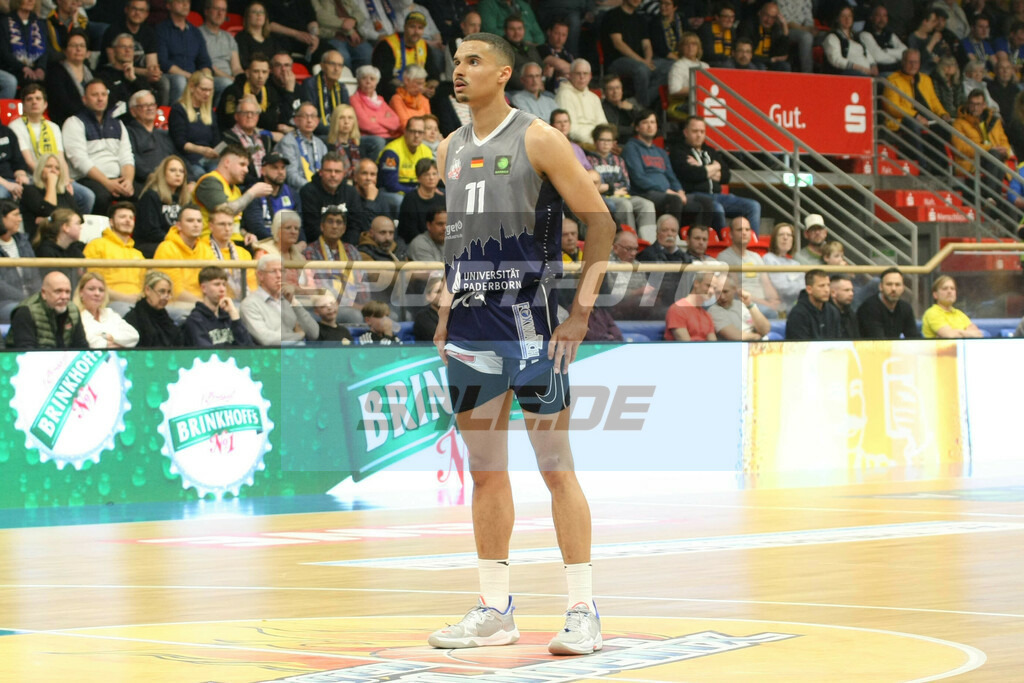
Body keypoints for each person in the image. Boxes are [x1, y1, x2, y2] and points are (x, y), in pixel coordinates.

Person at [427, 31, 615, 656]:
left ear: (503, 74)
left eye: (473, 61)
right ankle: (493, 609)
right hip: (473, 331)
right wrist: (448, 306)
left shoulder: (537, 136)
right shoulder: (450, 146)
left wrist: (580, 314)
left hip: (534, 328)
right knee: (485, 475)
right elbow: (461, 238)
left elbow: (601, 222)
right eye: (456, 61)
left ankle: (583, 609)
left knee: (556, 469)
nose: (460, 70)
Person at [9, 83, 94, 217]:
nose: (34, 102)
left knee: (87, 196)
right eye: (29, 99)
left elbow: (60, 158)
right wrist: (50, 178)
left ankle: (73, 228)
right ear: (23, 105)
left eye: (38, 98)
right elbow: (28, 161)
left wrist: (65, 180)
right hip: (33, 178)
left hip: (56, 174)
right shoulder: (15, 126)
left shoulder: (53, 127)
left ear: (45, 104)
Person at [671, 116, 761, 234]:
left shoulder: (710, 151)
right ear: (686, 132)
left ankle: (750, 247)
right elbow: (692, 175)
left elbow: (726, 176)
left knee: (753, 206)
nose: (699, 135)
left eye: (702, 132)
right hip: (695, 196)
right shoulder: (678, 151)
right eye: (695, 131)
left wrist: (702, 168)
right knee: (717, 208)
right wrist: (714, 167)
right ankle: (721, 244)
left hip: (718, 195)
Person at [624, 109, 713, 229]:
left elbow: (671, 176)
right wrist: (667, 191)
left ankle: (697, 238)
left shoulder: (660, 152)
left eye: (653, 122)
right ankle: (671, 238)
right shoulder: (631, 148)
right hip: (644, 193)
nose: (650, 126)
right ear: (637, 127)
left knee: (705, 202)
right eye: (645, 122)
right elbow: (638, 178)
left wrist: (680, 190)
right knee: (674, 200)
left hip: (668, 193)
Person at [62, 79, 136, 215]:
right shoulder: (74, 122)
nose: (100, 98)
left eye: (103, 94)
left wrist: (128, 181)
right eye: (95, 95)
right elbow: (80, 161)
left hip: (117, 178)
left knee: (143, 193)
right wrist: (107, 183)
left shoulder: (118, 124)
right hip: (87, 180)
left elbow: (126, 156)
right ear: (84, 99)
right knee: (101, 197)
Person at [586, 124, 656, 237]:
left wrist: (607, 187)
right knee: (625, 205)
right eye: (602, 140)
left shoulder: (619, 160)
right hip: (603, 198)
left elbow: (625, 183)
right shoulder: (589, 160)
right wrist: (613, 189)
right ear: (595, 142)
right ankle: (630, 238)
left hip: (623, 195)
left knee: (647, 204)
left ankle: (649, 240)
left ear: (614, 143)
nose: (605, 143)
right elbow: (594, 186)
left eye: (609, 140)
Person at [193, 144, 274, 242]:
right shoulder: (209, 181)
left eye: (247, 166)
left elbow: (237, 225)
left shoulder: (236, 190)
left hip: (234, 243)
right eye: (242, 164)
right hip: (208, 244)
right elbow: (225, 211)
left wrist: (246, 234)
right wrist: (253, 192)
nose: (246, 170)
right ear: (227, 163)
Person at [600, 0, 673, 106]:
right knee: (641, 69)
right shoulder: (613, 15)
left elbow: (647, 44)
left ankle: (638, 103)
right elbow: (618, 44)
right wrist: (643, 61)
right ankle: (642, 108)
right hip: (617, 61)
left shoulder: (640, 18)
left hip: (641, 61)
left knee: (671, 66)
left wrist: (648, 59)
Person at [302, 203, 365, 323]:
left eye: (339, 222)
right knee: (354, 316)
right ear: (322, 226)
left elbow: (362, 281)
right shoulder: (310, 252)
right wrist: (355, 306)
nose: (334, 226)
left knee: (389, 314)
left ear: (344, 228)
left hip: (355, 304)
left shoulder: (352, 251)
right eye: (330, 222)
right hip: (326, 305)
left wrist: (365, 305)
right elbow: (322, 286)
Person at [240, 253, 319, 345]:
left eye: (281, 271)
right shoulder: (250, 304)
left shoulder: (288, 299)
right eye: (273, 271)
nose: (279, 276)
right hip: (272, 356)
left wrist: (294, 303)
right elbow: (266, 339)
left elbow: (314, 333)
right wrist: (299, 336)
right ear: (260, 275)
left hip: (299, 354)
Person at [82, 202, 145, 311]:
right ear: (111, 222)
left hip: (138, 304)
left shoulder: (138, 254)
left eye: (131, 218)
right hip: (109, 303)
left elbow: (146, 285)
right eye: (122, 217)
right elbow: (91, 282)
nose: (128, 220)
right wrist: (126, 298)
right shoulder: (97, 245)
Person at [101, 0, 166, 105]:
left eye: (141, 10)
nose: (137, 13)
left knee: (162, 83)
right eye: (134, 9)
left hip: (137, 75)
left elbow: (152, 65)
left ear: (146, 14)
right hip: (114, 74)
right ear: (126, 10)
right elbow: (115, 64)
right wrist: (143, 72)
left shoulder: (149, 32)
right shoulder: (113, 30)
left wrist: (153, 72)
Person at [716, 216, 781, 317]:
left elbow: (766, 283)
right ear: (731, 234)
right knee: (771, 313)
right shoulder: (724, 257)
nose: (744, 232)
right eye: (739, 230)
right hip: (742, 303)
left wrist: (775, 301)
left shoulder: (756, 257)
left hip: (763, 303)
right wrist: (767, 304)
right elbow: (736, 291)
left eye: (747, 229)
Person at [153, 203, 217, 304]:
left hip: (204, 304)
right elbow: (175, 291)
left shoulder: (206, 249)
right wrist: (205, 305)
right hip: (175, 305)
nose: (196, 224)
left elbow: (215, 282)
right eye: (190, 220)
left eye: (199, 221)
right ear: (178, 225)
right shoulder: (166, 248)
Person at [953, 88, 1011, 197]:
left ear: (984, 105)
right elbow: (961, 148)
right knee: (994, 156)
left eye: (978, 104)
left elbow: (1004, 141)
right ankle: (992, 196)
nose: (975, 108)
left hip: (994, 159)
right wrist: (988, 149)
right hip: (972, 160)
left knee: (997, 156)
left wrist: (1005, 151)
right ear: (967, 104)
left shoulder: (994, 120)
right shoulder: (959, 123)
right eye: (972, 104)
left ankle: (993, 198)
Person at [6, 270, 87, 348]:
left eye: (67, 292)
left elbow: (82, 347)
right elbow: (25, 352)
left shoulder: (73, 310)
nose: (64, 297)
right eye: (58, 291)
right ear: (44, 293)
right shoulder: (25, 312)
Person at [156, 0, 213, 104]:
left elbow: (205, 61)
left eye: (188, 2)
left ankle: (208, 118)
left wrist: (206, 77)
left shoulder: (195, 32)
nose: (185, 4)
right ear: (169, 5)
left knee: (223, 83)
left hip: (195, 77)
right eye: (180, 1)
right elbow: (163, 62)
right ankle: (177, 117)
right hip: (172, 75)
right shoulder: (161, 30)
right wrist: (189, 76)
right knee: (180, 80)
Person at [182, 265, 255, 347]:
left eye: (224, 284)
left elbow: (249, 348)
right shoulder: (195, 320)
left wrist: (235, 318)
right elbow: (205, 353)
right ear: (203, 288)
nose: (222, 289)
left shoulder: (229, 317)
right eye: (217, 284)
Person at [298, 151, 363, 244]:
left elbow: (355, 226)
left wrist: (343, 248)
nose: (333, 175)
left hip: (347, 246)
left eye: (337, 171)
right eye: (329, 171)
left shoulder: (351, 193)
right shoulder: (308, 192)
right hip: (316, 246)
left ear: (344, 174)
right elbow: (311, 228)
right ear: (320, 172)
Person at [135, 155, 191, 258]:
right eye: (173, 170)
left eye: (181, 171)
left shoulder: (185, 200)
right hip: (151, 244)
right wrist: (176, 240)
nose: (178, 174)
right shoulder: (151, 196)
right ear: (163, 174)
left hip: (176, 243)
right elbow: (150, 231)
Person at [125, 90, 178, 196]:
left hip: (170, 180)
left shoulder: (163, 134)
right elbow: (132, 159)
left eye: (152, 105)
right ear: (133, 111)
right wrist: (152, 175)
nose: (150, 108)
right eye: (144, 105)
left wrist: (190, 180)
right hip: (146, 181)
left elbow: (177, 157)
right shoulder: (128, 132)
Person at [170, 69, 220, 180]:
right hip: (188, 159)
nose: (207, 94)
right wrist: (202, 150)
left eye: (210, 90)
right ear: (192, 87)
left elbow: (216, 140)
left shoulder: (209, 112)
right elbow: (180, 142)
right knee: (201, 175)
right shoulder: (178, 110)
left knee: (220, 175)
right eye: (203, 89)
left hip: (209, 159)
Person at [216, 53, 282, 138]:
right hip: (233, 137)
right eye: (256, 71)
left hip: (262, 137)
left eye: (264, 72)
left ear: (268, 74)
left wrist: (257, 107)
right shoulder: (233, 91)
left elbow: (272, 124)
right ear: (247, 73)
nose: (260, 76)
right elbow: (230, 121)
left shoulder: (271, 92)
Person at [240, 152, 297, 242]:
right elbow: (256, 228)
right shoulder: (254, 191)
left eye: (283, 168)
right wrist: (279, 243)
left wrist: (302, 242)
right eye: (275, 168)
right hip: (263, 243)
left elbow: (299, 225)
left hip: (288, 245)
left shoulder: (292, 193)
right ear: (263, 171)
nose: (281, 172)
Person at [220, 94, 275, 187]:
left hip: (266, 185)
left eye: (253, 113)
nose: (249, 116)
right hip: (242, 186)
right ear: (236, 116)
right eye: (245, 113)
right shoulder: (228, 138)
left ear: (258, 117)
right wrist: (258, 183)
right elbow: (233, 170)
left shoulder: (265, 139)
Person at [74, 272, 140, 349]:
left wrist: (108, 336)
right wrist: (118, 343)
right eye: (91, 289)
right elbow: (90, 343)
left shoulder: (109, 313)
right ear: (81, 292)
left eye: (101, 290)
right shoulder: (78, 316)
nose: (97, 293)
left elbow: (134, 336)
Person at [350, 65, 403, 162]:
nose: (368, 82)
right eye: (364, 78)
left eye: (372, 79)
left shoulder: (380, 100)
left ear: (376, 82)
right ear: (358, 81)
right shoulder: (354, 99)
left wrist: (375, 119)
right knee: (379, 141)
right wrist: (386, 128)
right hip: (364, 138)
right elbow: (366, 124)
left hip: (384, 136)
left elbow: (396, 122)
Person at [0, 200, 42, 322]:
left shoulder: (23, 242)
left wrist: (36, 298)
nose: (19, 219)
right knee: (25, 312)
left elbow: (35, 273)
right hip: (5, 302)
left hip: (31, 300)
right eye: (15, 215)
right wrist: (25, 299)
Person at [43, 27, 92, 127]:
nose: (78, 49)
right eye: (74, 45)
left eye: (82, 46)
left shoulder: (91, 73)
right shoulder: (55, 72)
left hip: (90, 119)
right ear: (65, 50)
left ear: (87, 52)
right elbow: (63, 104)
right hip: (66, 122)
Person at [277, 102, 329, 194]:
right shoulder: (288, 142)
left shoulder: (320, 144)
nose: (309, 120)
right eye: (305, 116)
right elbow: (290, 175)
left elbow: (326, 171)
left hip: (320, 192)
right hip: (297, 192)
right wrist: (312, 188)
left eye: (313, 116)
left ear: (317, 121)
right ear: (296, 120)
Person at [857, 267, 922, 339]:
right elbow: (878, 341)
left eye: (897, 285)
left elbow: (914, 338)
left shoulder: (905, 307)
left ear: (903, 288)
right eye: (889, 284)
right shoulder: (869, 308)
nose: (893, 289)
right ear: (881, 287)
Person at [207, 205, 258, 300]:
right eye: (222, 224)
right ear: (211, 226)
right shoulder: (202, 250)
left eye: (230, 224)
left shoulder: (244, 253)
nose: (227, 229)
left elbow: (252, 285)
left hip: (245, 303)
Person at [20, 153, 77, 237]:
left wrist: (50, 220)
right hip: (42, 240)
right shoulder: (30, 191)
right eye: (49, 166)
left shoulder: (63, 193)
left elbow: (79, 217)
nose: (53, 170)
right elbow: (47, 211)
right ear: (40, 169)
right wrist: (51, 184)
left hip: (65, 239)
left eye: (57, 168)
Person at [124, 270, 186, 347]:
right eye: (162, 291)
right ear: (147, 290)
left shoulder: (167, 320)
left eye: (168, 292)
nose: (166, 297)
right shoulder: (133, 318)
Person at [377, 115, 435, 196]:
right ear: (405, 131)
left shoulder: (426, 151)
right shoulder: (391, 152)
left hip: (416, 190)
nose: (416, 135)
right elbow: (390, 184)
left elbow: (429, 178)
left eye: (420, 132)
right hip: (392, 191)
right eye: (413, 131)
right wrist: (416, 193)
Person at [0, 0, 49, 95]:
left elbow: (45, 50)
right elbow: (3, 52)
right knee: (28, 80)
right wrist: (23, 68)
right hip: (13, 68)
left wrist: (41, 68)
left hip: (35, 67)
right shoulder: (4, 22)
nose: (30, 1)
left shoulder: (40, 24)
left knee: (54, 79)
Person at [97, 32, 150, 119]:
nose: (127, 50)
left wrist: (133, 80)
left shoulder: (137, 77)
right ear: (114, 51)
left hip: (139, 121)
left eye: (130, 47)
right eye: (123, 47)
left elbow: (149, 99)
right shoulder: (104, 75)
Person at [554, 59, 607, 145]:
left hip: (598, 142)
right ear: (570, 75)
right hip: (578, 143)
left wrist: (606, 139)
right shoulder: (564, 94)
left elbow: (603, 124)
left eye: (585, 73)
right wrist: (597, 141)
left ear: (590, 76)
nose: (582, 77)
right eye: (578, 73)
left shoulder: (594, 98)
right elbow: (570, 129)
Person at [198, 0, 243, 99]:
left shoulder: (228, 37)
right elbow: (208, 66)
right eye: (216, 9)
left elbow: (236, 67)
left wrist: (242, 80)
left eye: (223, 10)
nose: (220, 13)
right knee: (227, 84)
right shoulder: (198, 34)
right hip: (210, 77)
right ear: (206, 11)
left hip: (229, 79)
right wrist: (231, 79)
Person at [300, 49, 349, 137]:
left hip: (339, 132)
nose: (336, 69)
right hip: (318, 134)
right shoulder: (310, 84)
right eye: (332, 64)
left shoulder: (342, 88)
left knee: (375, 141)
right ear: (322, 66)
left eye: (340, 65)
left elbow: (347, 114)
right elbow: (310, 117)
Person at [31, 207, 83, 287]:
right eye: (77, 223)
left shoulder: (74, 248)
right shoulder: (45, 251)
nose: (80, 227)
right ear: (66, 227)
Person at [711, 273, 771, 340]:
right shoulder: (713, 310)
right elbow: (736, 336)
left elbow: (765, 330)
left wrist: (749, 304)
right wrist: (757, 336)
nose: (722, 297)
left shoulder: (744, 304)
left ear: (734, 289)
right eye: (718, 293)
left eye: (725, 292)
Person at [398, 158, 445, 244]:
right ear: (418, 178)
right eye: (426, 174)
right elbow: (408, 231)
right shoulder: (410, 199)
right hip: (416, 243)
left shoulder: (442, 199)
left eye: (434, 174)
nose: (431, 178)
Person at [785, 269, 841, 340]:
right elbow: (799, 346)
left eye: (828, 285)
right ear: (809, 289)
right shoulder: (798, 314)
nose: (827, 290)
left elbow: (838, 341)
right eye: (821, 286)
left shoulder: (833, 311)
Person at [822, 7, 877, 77]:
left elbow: (867, 53)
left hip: (867, 73)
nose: (847, 19)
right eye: (843, 16)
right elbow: (836, 59)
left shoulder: (856, 38)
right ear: (837, 19)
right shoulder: (832, 37)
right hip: (846, 75)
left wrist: (873, 65)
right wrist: (858, 67)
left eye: (849, 16)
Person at [664, 270, 718, 341]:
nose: (711, 291)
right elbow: (686, 345)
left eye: (714, 288)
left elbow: (714, 345)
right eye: (708, 285)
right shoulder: (677, 309)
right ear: (696, 283)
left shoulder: (707, 316)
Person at [665, 32, 708, 120]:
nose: (690, 47)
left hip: (704, 101)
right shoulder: (678, 66)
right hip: (682, 103)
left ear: (698, 47)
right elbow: (674, 90)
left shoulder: (705, 66)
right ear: (681, 48)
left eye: (694, 44)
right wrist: (697, 90)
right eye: (686, 44)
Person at [740, 1, 791, 71]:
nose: (768, 20)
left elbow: (782, 55)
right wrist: (770, 60)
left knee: (785, 66)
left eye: (773, 18)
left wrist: (785, 29)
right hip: (753, 61)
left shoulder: (775, 28)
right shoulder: (748, 26)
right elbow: (745, 54)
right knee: (761, 67)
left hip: (769, 61)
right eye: (766, 15)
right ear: (759, 13)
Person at [762, 221, 801, 312]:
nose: (785, 238)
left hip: (795, 308)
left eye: (789, 235)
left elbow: (804, 287)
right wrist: (799, 286)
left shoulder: (795, 264)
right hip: (777, 309)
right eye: (781, 235)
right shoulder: (768, 259)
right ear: (775, 239)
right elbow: (782, 287)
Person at [236, 1, 284, 69]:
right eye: (254, 12)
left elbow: (279, 59)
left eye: (261, 12)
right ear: (248, 16)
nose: (259, 15)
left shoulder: (272, 39)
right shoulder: (241, 38)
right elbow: (244, 63)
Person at [860, 4, 907, 74]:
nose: (882, 19)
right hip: (882, 72)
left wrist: (886, 51)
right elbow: (878, 57)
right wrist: (898, 59)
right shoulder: (865, 34)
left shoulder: (889, 34)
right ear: (871, 17)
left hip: (897, 70)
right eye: (878, 15)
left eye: (884, 16)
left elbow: (905, 51)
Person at [326, 103, 361, 181]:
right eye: (342, 118)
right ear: (335, 121)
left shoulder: (358, 146)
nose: (346, 122)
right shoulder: (328, 146)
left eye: (350, 118)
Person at [699, 2, 738, 67]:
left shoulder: (732, 31)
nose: (730, 20)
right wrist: (726, 57)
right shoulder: (707, 29)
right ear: (717, 17)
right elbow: (707, 54)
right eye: (726, 17)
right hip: (710, 63)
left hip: (728, 61)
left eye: (732, 17)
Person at [412, 272, 443, 342]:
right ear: (428, 296)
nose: (443, 295)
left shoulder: (455, 315)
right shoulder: (422, 318)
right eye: (438, 291)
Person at [829, 274, 859, 339]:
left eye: (852, 290)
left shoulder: (850, 313)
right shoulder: (826, 313)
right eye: (846, 290)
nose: (851, 294)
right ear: (833, 293)